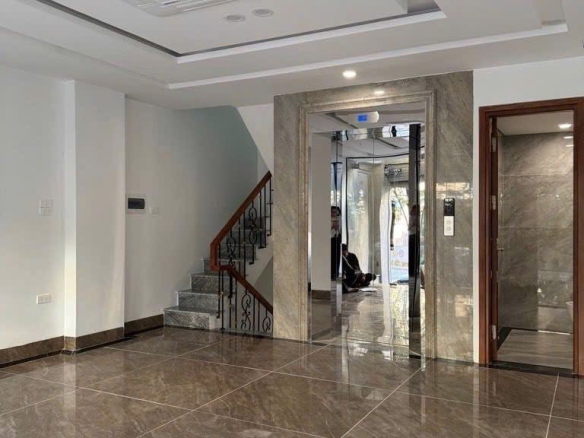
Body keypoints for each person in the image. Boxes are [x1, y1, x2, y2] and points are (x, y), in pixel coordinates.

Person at [331, 206, 342, 280]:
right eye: (332, 212)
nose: (333, 214)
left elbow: (340, 229)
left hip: (337, 239)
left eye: (335, 212)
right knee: (331, 257)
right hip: (330, 239)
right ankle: (331, 274)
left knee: (337, 257)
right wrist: (332, 226)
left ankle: (336, 273)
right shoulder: (327, 219)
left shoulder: (339, 219)